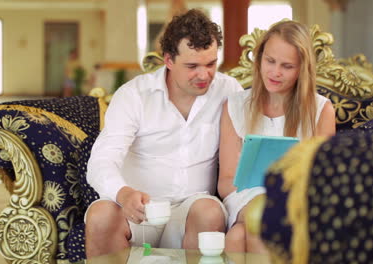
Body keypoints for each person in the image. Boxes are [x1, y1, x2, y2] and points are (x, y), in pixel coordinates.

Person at [85, 9, 243, 258]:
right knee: (100, 216)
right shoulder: (133, 95)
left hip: (193, 205)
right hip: (138, 209)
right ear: (168, 60)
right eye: (192, 66)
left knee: (209, 212)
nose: (204, 75)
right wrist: (124, 194)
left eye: (211, 64)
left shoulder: (228, 90)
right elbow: (101, 162)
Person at [218, 20, 336, 253]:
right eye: (270, 61)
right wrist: (261, 201)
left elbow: (323, 180)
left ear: (302, 68)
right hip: (243, 198)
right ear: (259, 57)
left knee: (237, 236)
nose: (275, 72)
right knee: (258, 219)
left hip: (296, 202)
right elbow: (225, 182)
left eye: (287, 66)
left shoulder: (321, 110)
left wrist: (279, 200)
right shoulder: (235, 105)